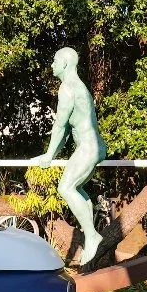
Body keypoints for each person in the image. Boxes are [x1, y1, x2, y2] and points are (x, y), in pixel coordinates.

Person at [33, 47, 107, 266]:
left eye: (55, 61)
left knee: (65, 188)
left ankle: (92, 236)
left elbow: (59, 126)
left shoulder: (68, 88)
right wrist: (50, 154)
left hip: (88, 147)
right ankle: (91, 235)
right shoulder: (78, 87)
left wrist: (48, 155)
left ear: (65, 63)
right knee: (78, 190)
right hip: (92, 146)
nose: (52, 65)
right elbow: (65, 133)